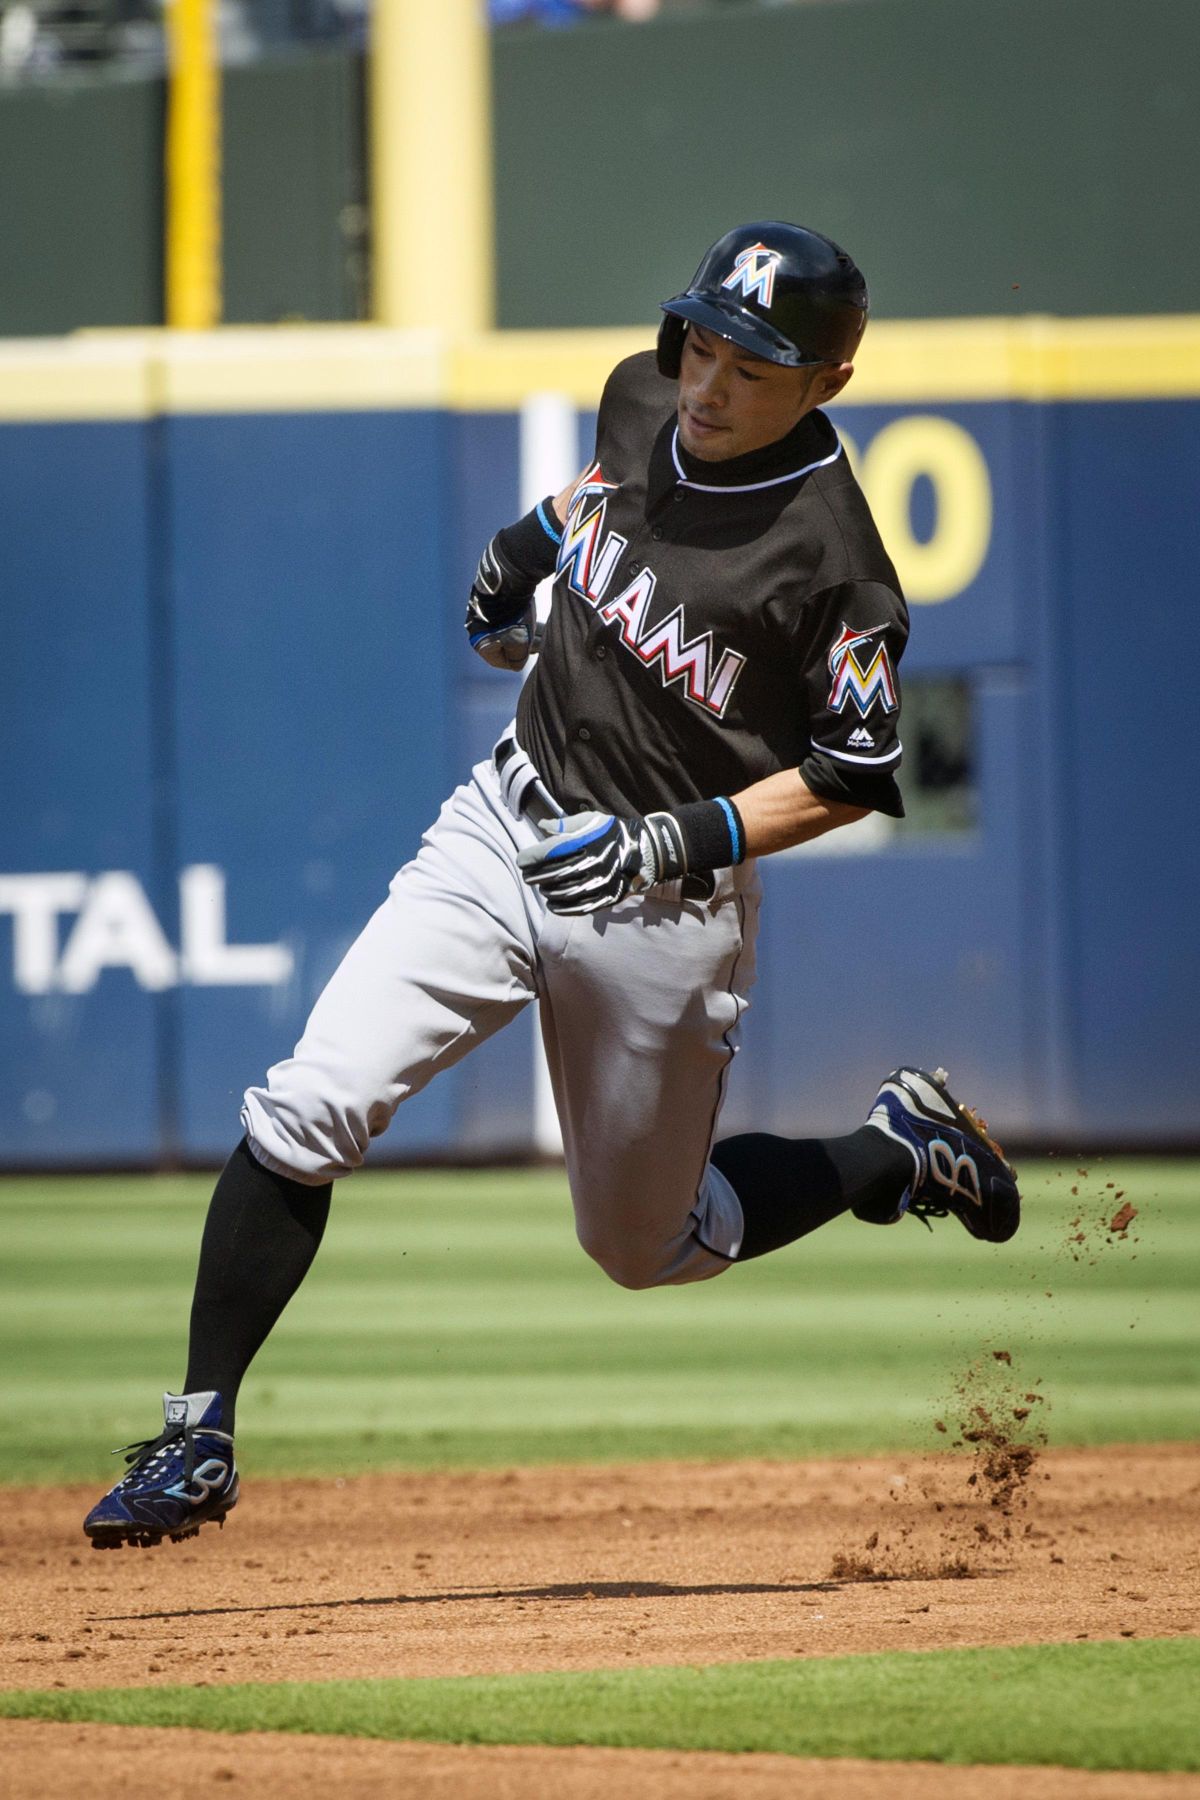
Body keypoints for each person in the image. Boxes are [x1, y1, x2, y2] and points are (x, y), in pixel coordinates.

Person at [83, 222, 1020, 1550]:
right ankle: (196, 1439)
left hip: (662, 908)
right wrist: (527, 548)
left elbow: (853, 773)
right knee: (306, 1106)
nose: (708, 379)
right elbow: (599, 495)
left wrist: (678, 837)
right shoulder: (644, 395)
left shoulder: (838, 563)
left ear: (825, 381)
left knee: (648, 1247)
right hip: (502, 824)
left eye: (751, 364)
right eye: (703, 339)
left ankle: (895, 1145)